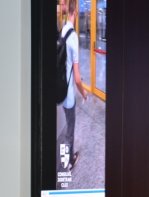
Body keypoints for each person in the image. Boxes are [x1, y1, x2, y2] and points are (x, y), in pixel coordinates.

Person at [60, 0, 88, 171]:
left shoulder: (63, 30)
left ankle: (66, 160)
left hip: (61, 87)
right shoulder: (73, 36)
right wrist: (84, 93)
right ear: (75, 11)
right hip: (69, 94)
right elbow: (77, 79)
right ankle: (67, 163)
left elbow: (66, 62)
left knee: (67, 127)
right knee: (70, 131)